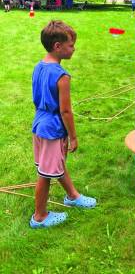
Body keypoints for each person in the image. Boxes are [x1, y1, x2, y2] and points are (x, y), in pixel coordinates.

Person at [30, 21, 96, 229]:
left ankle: (72, 196)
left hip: (39, 124)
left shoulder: (39, 66)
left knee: (53, 165)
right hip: (52, 130)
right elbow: (65, 111)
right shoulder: (62, 76)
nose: (74, 48)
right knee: (45, 175)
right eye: (70, 45)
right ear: (57, 46)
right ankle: (40, 217)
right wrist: (73, 136)